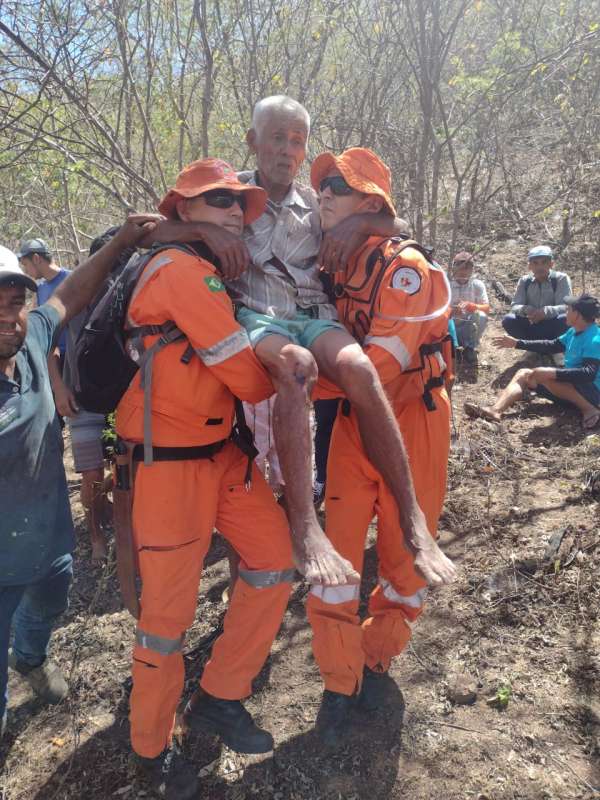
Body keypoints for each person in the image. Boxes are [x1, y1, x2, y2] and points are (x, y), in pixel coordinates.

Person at [115, 159, 295, 798]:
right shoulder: (180, 269)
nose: (232, 210)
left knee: (274, 560)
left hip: (222, 452)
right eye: (217, 199)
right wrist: (291, 362)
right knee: (166, 617)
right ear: (183, 211)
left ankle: (220, 694)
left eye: (238, 202)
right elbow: (245, 375)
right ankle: (150, 749)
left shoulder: (211, 270)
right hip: (168, 465)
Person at [302, 147, 455, 746]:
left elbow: (379, 367)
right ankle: (339, 681)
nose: (324, 193)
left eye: (338, 186)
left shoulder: (407, 268)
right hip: (350, 423)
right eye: (323, 185)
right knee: (334, 558)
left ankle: (376, 655)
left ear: (370, 201)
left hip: (413, 420)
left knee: (405, 559)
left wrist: (300, 379)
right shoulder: (325, 260)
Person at [0, 219, 154, 741]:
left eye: (15, 303)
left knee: (50, 602)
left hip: (49, 542)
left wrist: (123, 241)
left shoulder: (31, 340)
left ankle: (30, 657)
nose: (8, 316)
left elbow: (70, 293)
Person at [61, 228, 137, 561]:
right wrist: (59, 387)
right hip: (81, 397)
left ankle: (128, 528)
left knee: (132, 469)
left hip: (124, 397)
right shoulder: (74, 295)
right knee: (91, 474)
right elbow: (47, 343)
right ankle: (95, 535)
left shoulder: (132, 292)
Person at [465, 293, 600, 429]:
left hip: (591, 396)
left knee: (543, 375)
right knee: (524, 374)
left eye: (569, 310)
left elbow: (588, 373)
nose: (566, 313)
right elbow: (552, 345)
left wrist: (553, 373)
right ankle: (495, 410)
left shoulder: (594, 339)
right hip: (570, 391)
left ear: (578, 314)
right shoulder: (573, 332)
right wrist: (517, 343)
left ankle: (590, 409)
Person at [17, 238, 72, 413]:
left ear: (36, 258)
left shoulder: (71, 279)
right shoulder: (40, 289)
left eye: (25, 264)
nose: (25, 270)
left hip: (75, 359)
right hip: (54, 361)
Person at [502, 245, 572, 347]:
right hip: (531, 323)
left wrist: (546, 312)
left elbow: (566, 306)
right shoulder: (525, 281)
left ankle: (555, 347)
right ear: (529, 266)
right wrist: (526, 309)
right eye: (535, 263)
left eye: (544, 262)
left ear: (551, 264)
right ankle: (531, 346)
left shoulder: (560, 279)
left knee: (565, 319)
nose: (540, 267)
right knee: (509, 320)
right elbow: (515, 306)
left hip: (552, 324)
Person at [449, 251, 490, 364]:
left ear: (472, 270)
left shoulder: (477, 285)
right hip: (450, 327)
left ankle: (469, 347)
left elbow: (486, 309)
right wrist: (451, 311)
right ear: (453, 268)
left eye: (467, 268)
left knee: (481, 316)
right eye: (460, 267)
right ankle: (452, 347)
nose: (463, 271)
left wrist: (472, 306)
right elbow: (436, 309)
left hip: (468, 327)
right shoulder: (446, 284)